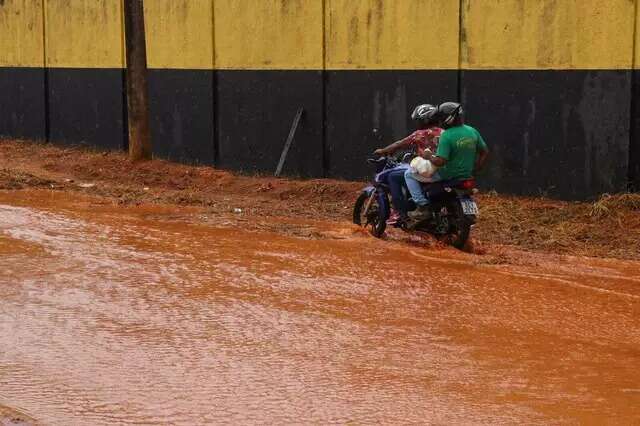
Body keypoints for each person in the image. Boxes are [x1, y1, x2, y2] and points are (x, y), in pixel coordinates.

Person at [407, 102, 489, 220]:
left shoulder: (447, 136)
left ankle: (422, 207)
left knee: (409, 174)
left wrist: (429, 156)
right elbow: (485, 151)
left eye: (440, 117)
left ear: (448, 118)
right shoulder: (472, 131)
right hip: (466, 175)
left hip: (446, 175)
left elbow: (440, 162)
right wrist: (477, 168)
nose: (439, 121)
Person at [373, 104, 443, 224]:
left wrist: (383, 151)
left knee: (394, 176)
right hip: (444, 169)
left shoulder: (420, 134)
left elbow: (399, 144)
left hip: (429, 169)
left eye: (418, 120)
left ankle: (402, 212)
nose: (417, 123)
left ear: (424, 120)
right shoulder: (444, 132)